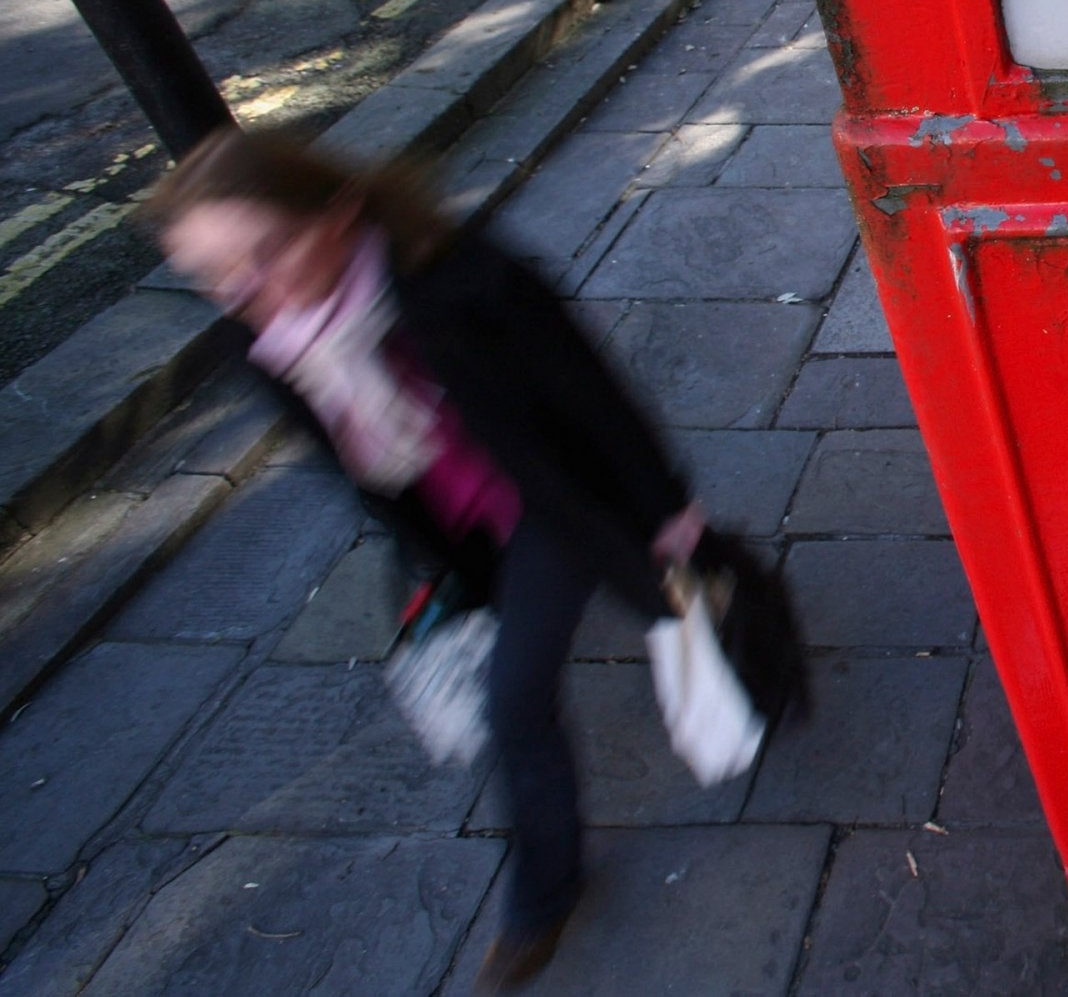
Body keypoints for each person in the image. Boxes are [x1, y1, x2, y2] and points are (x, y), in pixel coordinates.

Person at [147, 128, 710, 991]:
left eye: (266, 254)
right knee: (572, 646)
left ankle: (540, 897)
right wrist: (426, 561)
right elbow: (351, 462)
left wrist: (664, 500)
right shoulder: (265, 342)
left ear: (337, 214)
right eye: (216, 276)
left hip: (549, 501)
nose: (245, 292)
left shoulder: (463, 276)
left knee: (522, 694)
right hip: (454, 530)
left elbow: (587, 389)